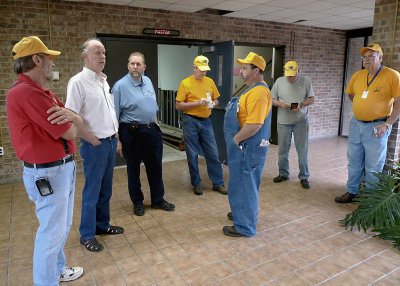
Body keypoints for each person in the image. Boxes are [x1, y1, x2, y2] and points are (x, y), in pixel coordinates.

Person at [6, 36, 84, 284]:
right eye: (49, 58)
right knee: (51, 233)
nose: (52, 63)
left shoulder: (42, 92)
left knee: (61, 226)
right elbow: (71, 131)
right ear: (37, 60)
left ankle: (57, 270)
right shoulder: (28, 94)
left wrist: (74, 118)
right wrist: (76, 120)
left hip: (61, 169)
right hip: (48, 174)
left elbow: (74, 122)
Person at [66, 38, 124, 252]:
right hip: (95, 145)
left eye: (104, 53)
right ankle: (87, 234)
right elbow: (71, 117)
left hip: (110, 142)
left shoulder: (104, 81)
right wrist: (91, 139)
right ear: (85, 56)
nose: (102, 56)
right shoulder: (78, 82)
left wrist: (116, 136)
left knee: (106, 189)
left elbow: (108, 113)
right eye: (97, 52)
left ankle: (103, 225)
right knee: (92, 190)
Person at [335, 43, 400, 203]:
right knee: (354, 161)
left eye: (371, 56)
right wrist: (363, 107)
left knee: (373, 164)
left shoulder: (392, 76)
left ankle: (369, 197)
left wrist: (387, 124)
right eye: (364, 57)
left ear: (380, 57)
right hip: (357, 124)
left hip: (377, 126)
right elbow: (351, 95)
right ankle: (352, 191)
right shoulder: (358, 75)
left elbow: (399, 102)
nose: (367, 59)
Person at [113, 52, 175, 216]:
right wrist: (118, 140)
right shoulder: (119, 86)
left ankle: (158, 199)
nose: (135, 67)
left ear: (144, 67)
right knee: (133, 169)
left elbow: (153, 105)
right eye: (132, 63)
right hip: (131, 133)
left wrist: (156, 123)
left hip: (151, 131)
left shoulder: (147, 81)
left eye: (138, 64)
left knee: (155, 167)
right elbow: (114, 116)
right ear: (128, 65)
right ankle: (138, 202)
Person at [223, 52, 272, 237]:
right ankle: (241, 213)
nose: (240, 71)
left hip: (247, 147)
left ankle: (244, 226)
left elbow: (254, 125)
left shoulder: (259, 93)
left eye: (244, 68)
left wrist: (236, 140)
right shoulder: (250, 90)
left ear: (256, 70)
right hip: (245, 146)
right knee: (243, 184)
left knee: (245, 185)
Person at [176, 55, 226, 196]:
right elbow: (178, 105)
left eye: (205, 70)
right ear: (194, 67)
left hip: (206, 121)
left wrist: (213, 104)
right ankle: (196, 183)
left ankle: (218, 183)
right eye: (201, 70)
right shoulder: (185, 83)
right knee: (192, 154)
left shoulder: (209, 82)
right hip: (190, 121)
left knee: (213, 153)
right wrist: (197, 103)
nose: (203, 73)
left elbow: (216, 100)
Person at [271, 61, 314, 189]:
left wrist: (301, 104)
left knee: (302, 151)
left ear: (297, 71)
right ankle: (283, 174)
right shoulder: (279, 81)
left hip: (301, 121)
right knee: (283, 150)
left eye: (292, 75)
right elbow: (272, 99)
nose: (290, 78)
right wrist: (281, 104)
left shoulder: (306, 81)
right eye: (288, 75)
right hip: (283, 122)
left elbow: (312, 99)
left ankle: (304, 177)